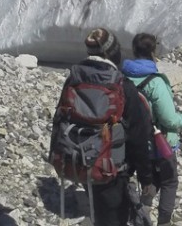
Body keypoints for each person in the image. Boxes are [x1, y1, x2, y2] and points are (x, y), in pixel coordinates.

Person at [52, 28, 155, 226]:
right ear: (112, 52)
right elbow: (139, 136)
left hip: (79, 161)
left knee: (98, 210)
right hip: (113, 170)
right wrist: (146, 177)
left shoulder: (73, 80)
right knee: (114, 218)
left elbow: (60, 119)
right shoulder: (122, 86)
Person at [122, 33, 182, 225]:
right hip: (160, 143)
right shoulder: (155, 82)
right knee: (169, 182)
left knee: (148, 179)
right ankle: (163, 222)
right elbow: (170, 120)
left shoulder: (122, 78)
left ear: (134, 50)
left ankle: (142, 213)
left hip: (134, 144)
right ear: (153, 51)